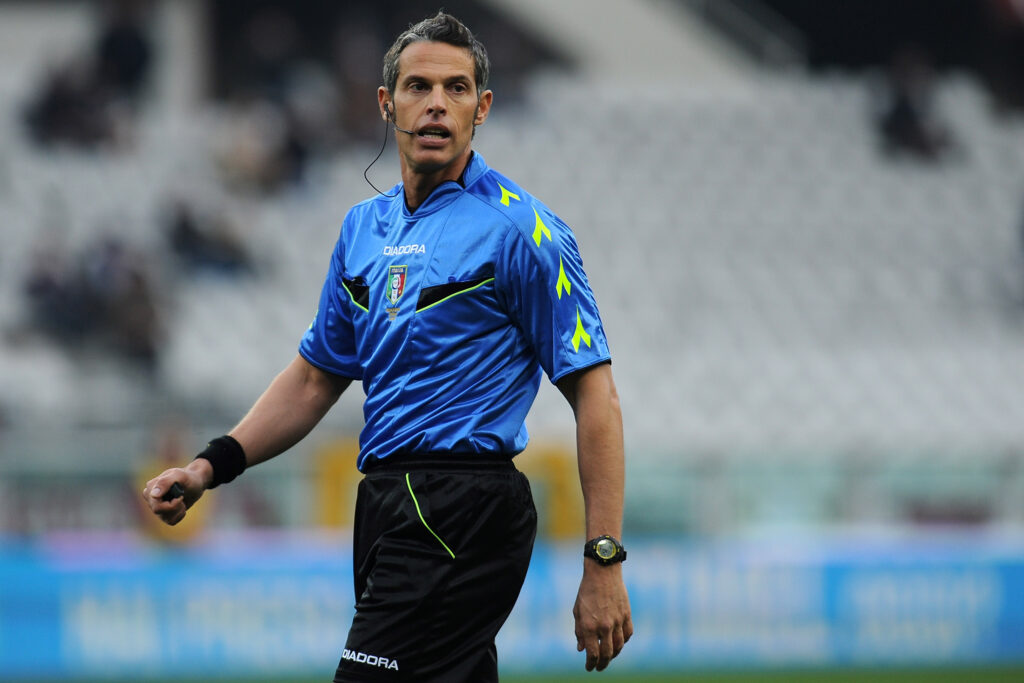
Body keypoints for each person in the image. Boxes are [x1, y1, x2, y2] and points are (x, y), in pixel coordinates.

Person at [143, 11, 632, 682]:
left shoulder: (524, 231)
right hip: (382, 501)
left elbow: (596, 394)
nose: (437, 103)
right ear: (385, 102)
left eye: (457, 88)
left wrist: (603, 558)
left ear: (483, 107)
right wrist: (208, 467)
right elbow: (315, 378)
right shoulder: (361, 229)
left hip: (463, 504)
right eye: (418, 86)